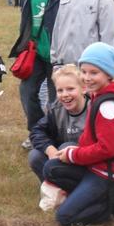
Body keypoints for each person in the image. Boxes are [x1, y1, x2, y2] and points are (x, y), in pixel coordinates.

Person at [52, 42, 114, 226]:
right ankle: (91, 197)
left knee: (64, 218)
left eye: (94, 73)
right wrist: (73, 152)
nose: (87, 78)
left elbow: (107, 149)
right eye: (83, 72)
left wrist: (74, 155)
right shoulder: (98, 95)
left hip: (109, 173)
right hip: (97, 166)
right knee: (51, 168)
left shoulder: (108, 106)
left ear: (108, 74)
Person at [8, 0, 65, 137]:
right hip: (35, 52)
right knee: (27, 92)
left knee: (56, 97)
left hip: (56, 54)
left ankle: (57, 134)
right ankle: (37, 133)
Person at [28, 64, 88, 207]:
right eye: (60, 90)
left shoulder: (95, 108)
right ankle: (57, 190)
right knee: (35, 156)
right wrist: (50, 150)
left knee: (68, 147)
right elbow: (37, 131)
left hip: (88, 164)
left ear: (83, 89)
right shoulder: (56, 110)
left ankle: (78, 191)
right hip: (60, 158)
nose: (65, 94)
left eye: (70, 89)